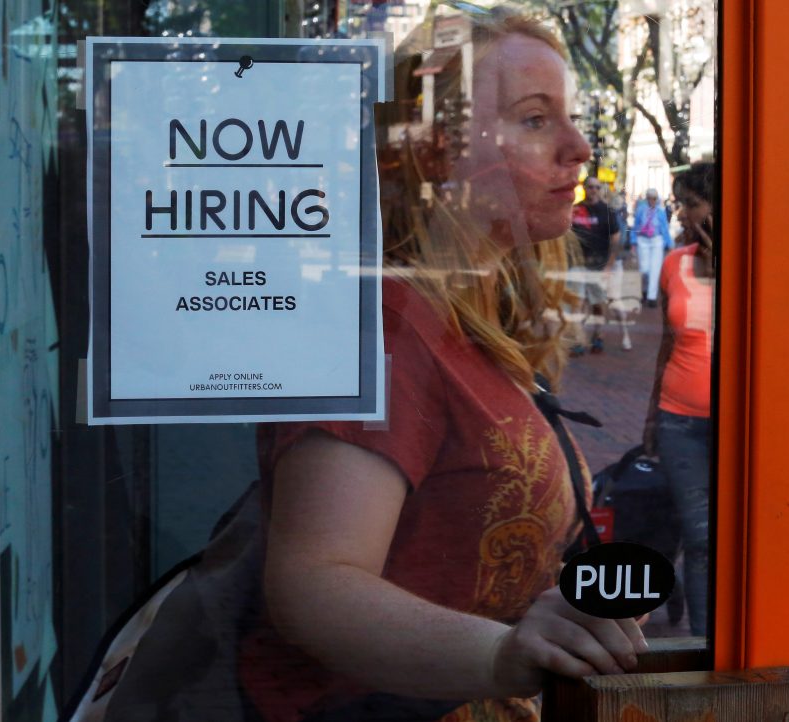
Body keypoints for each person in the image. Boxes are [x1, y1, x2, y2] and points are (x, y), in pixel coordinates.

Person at [239, 11, 648, 722]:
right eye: (533, 121)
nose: (578, 149)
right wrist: (502, 654)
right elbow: (314, 582)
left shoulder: (467, 316)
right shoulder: (387, 325)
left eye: (570, 120)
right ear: (433, 152)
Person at [642, 162, 716, 638]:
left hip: (740, 423)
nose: (683, 214)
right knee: (702, 536)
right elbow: (667, 345)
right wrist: (651, 414)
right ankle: (704, 643)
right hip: (679, 419)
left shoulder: (756, 262)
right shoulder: (675, 263)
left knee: (728, 537)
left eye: (692, 203)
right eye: (681, 204)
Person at [569, 178, 623, 353]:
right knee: (577, 303)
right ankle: (578, 339)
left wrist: (609, 266)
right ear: (584, 188)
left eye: (596, 187)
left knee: (598, 304)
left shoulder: (606, 211)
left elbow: (615, 239)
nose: (593, 190)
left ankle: (598, 335)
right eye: (590, 186)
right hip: (577, 264)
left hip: (598, 265)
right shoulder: (575, 209)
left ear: (600, 189)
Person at [631, 188, 673, 307]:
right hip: (643, 240)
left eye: (654, 198)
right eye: (649, 198)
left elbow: (664, 228)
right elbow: (635, 226)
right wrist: (633, 241)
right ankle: (644, 290)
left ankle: (652, 297)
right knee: (644, 270)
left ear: (657, 199)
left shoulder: (661, 211)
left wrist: (669, 244)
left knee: (655, 269)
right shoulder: (640, 210)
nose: (651, 200)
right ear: (646, 198)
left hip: (657, 241)